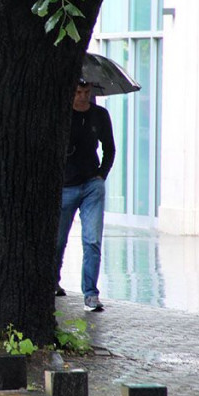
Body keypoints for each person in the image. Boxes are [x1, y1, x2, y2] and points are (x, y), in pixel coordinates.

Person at [55, 79, 115, 312]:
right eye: (78, 92)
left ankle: (90, 294)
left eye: (86, 92)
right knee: (59, 239)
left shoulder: (99, 115)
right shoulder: (62, 114)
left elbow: (109, 147)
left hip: (92, 184)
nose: (82, 97)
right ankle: (53, 279)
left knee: (92, 240)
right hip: (66, 185)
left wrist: (102, 174)